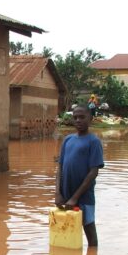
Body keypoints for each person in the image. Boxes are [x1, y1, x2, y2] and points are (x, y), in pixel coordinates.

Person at [55, 105, 104, 246]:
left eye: (82, 117)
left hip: (84, 196)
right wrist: (58, 193)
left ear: (90, 118)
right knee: (64, 232)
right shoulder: (67, 140)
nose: (78, 120)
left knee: (89, 231)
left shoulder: (93, 142)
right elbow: (60, 168)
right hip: (65, 194)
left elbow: (94, 171)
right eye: (75, 117)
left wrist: (75, 198)